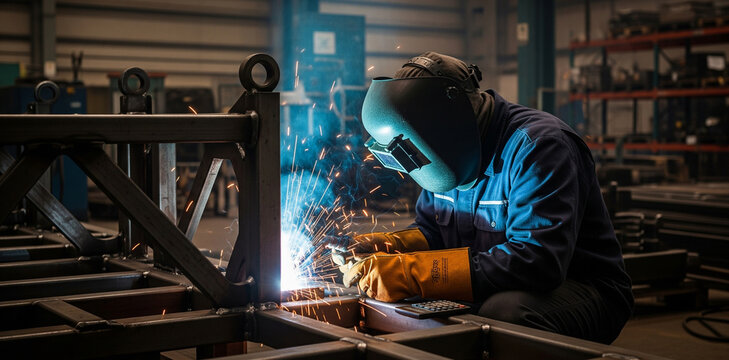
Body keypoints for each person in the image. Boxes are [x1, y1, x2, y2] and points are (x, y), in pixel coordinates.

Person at [334, 52, 633, 344]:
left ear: (449, 123)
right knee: (412, 305)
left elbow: (537, 262)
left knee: (504, 315)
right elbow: (432, 232)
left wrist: (411, 273)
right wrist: (388, 247)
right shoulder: (444, 150)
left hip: (583, 289)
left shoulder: (539, 147)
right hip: (500, 283)